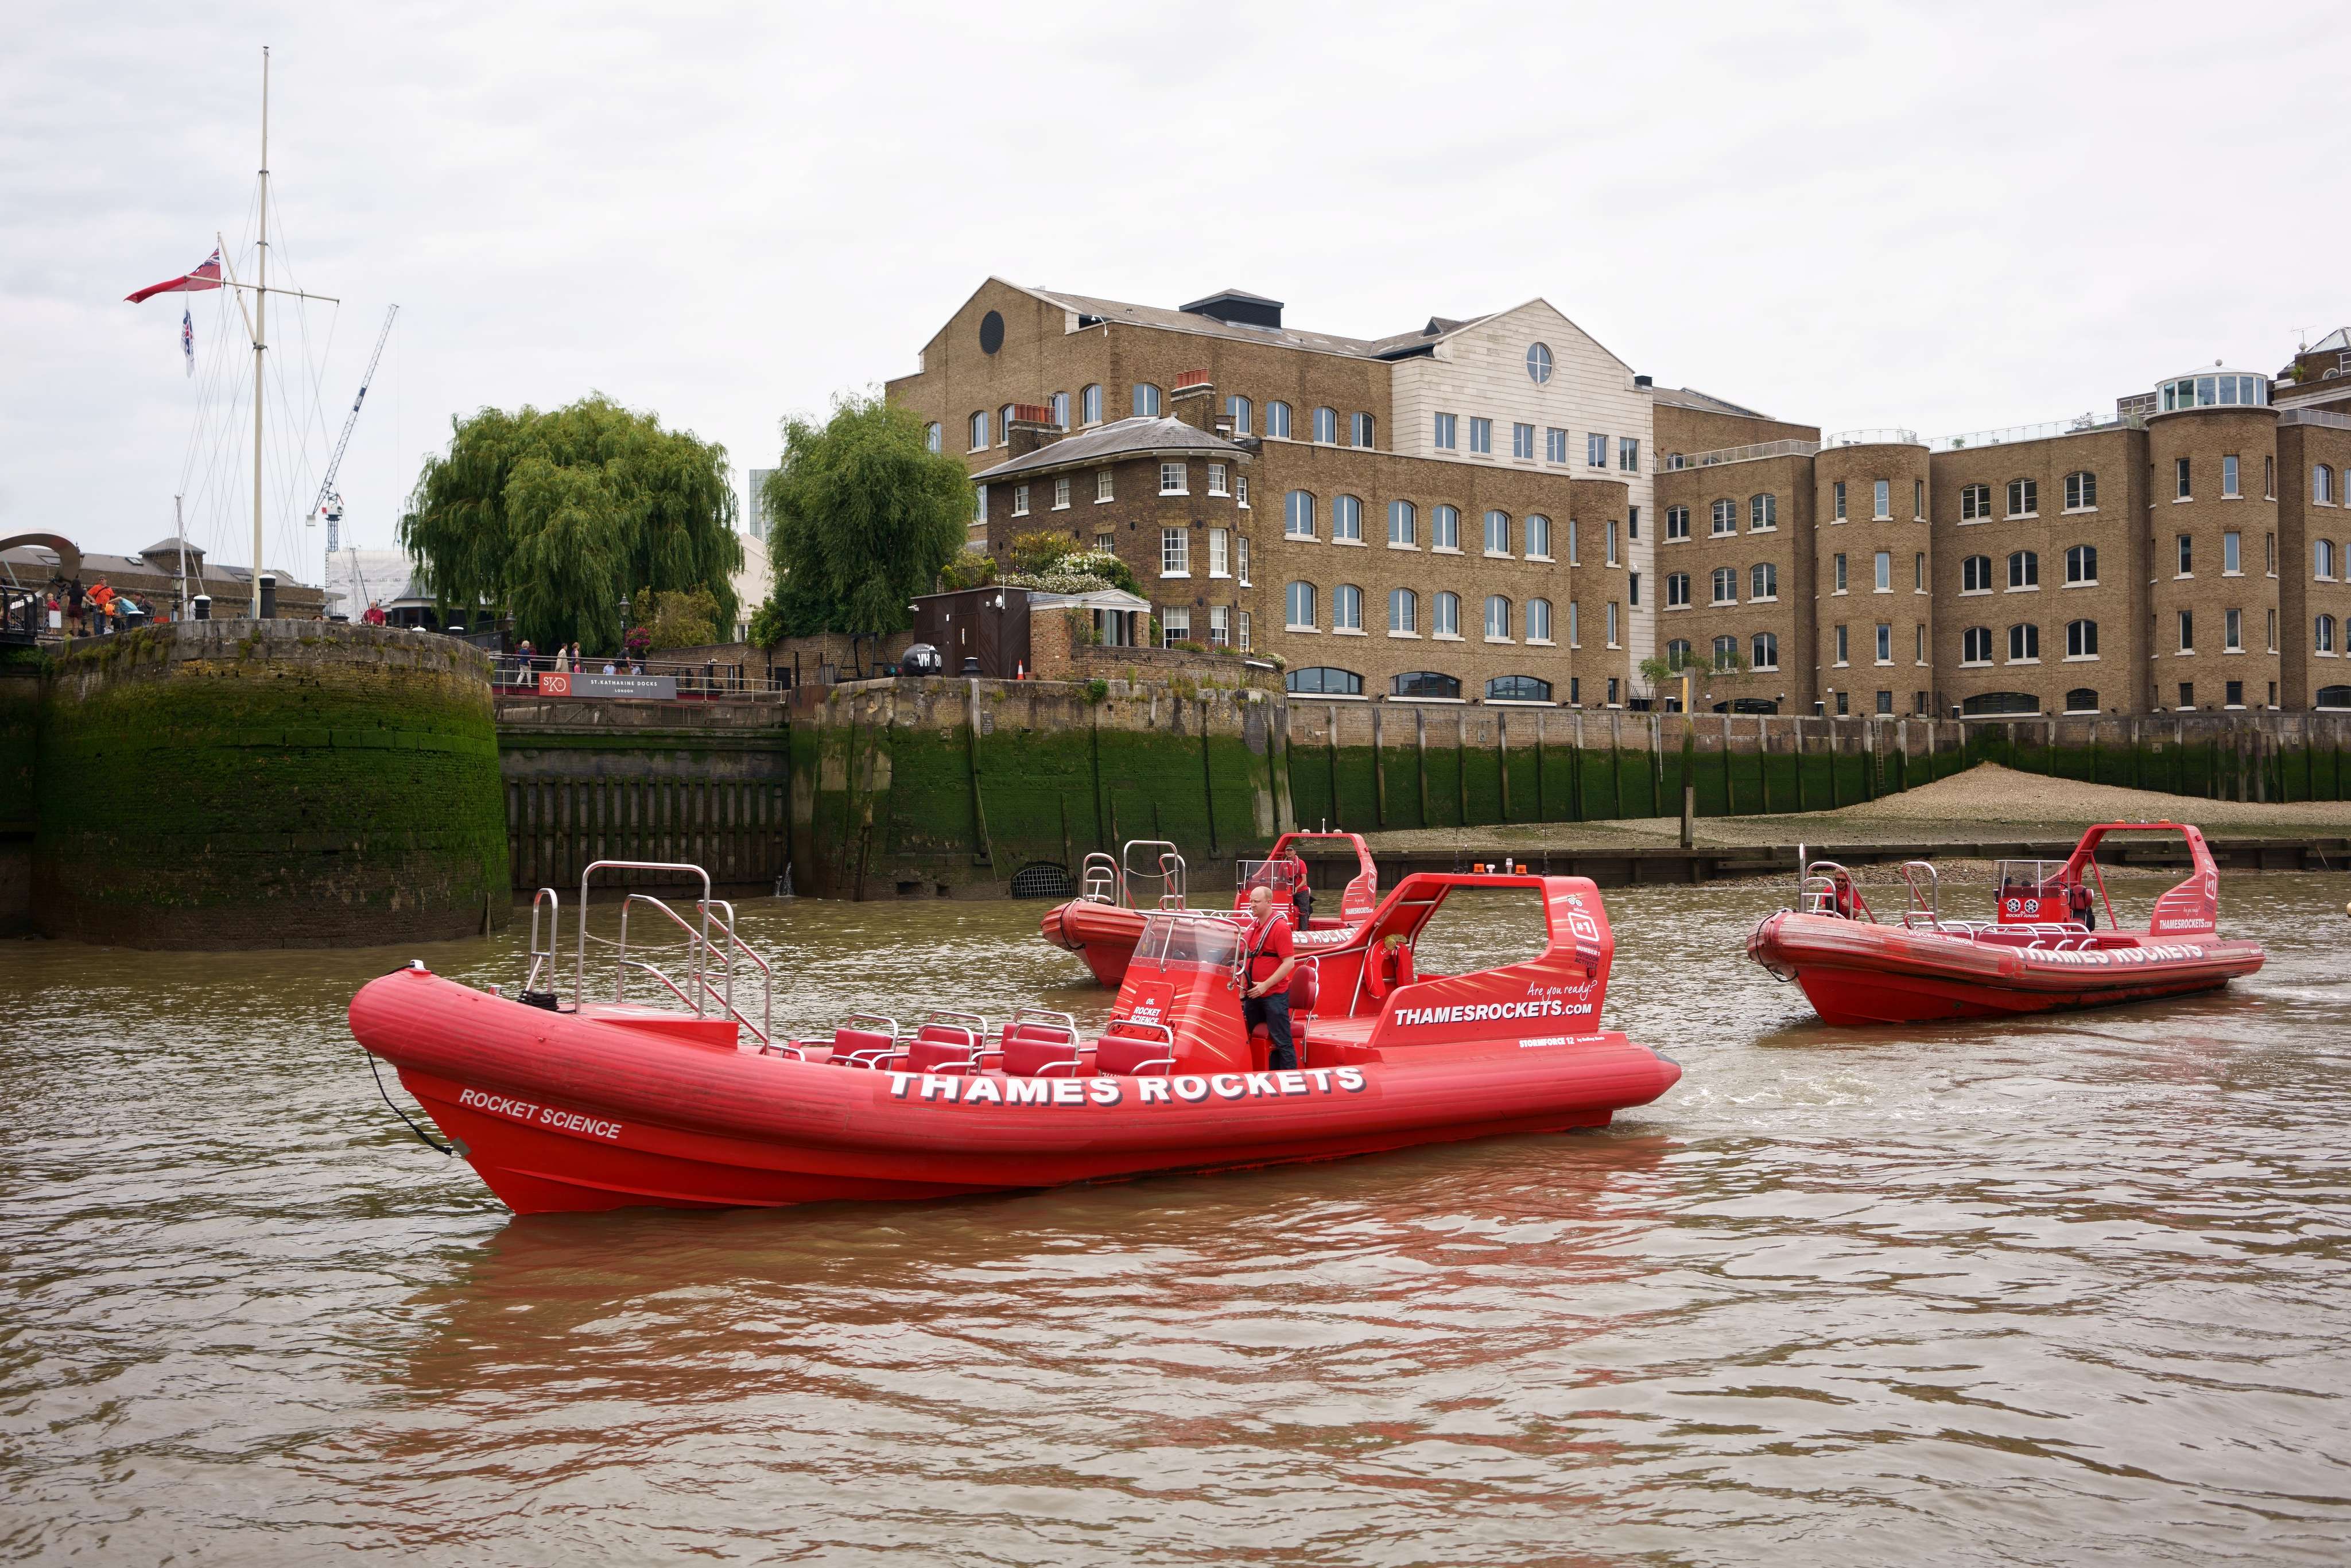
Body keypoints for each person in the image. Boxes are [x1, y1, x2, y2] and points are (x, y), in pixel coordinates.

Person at [1240, 884, 1298, 1072]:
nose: (1252, 905)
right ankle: (1254, 1072)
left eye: (1257, 901)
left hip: (1273, 994)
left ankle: (1290, 1078)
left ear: (1269, 902)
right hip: (1252, 994)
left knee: (1283, 1040)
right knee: (1248, 1036)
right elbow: (1246, 958)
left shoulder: (1280, 928)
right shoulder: (1254, 927)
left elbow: (1289, 963)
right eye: (1251, 901)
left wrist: (1265, 985)